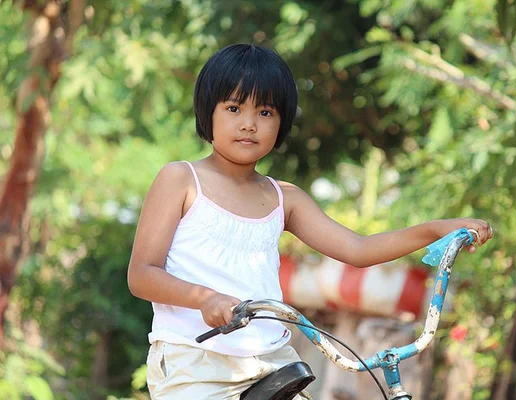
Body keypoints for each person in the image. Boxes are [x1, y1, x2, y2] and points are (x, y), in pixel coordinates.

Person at [127, 43, 493, 400]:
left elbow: (358, 249)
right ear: (208, 112)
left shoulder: (285, 198)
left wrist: (435, 229)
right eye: (234, 108)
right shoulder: (181, 180)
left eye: (266, 113)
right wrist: (205, 298)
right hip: (194, 363)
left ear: (282, 122)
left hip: (272, 361)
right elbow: (142, 274)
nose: (249, 124)